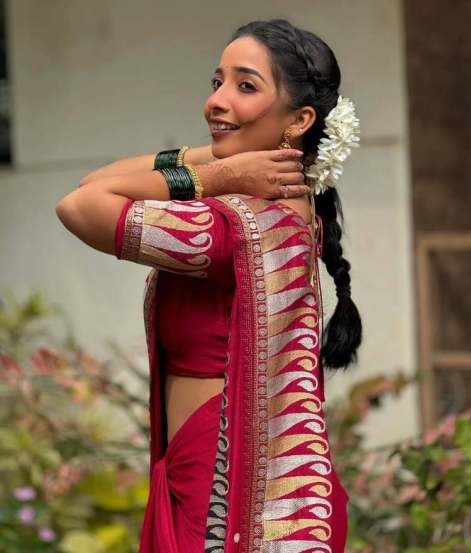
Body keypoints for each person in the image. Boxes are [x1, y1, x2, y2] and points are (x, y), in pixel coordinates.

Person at [56, 18, 362, 553]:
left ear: (301, 119)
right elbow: (92, 184)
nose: (216, 100)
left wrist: (216, 176)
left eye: (245, 86)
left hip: (221, 494)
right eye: (216, 81)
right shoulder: (264, 210)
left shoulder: (239, 229)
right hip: (198, 478)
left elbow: (80, 205)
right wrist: (221, 161)